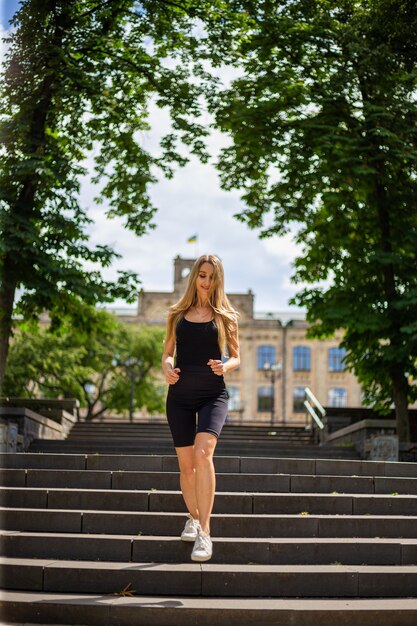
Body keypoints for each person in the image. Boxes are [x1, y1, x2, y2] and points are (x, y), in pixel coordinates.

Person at [162, 254, 240, 562]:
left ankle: (205, 533)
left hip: (212, 393)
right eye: (202, 275)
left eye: (212, 276)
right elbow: (168, 352)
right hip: (179, 394)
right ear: (194, 277)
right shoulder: (177, 314)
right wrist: (167, 367)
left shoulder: (226, 316)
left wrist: (226, 366)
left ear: (219, 280)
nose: (206, 281)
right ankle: (193, 517)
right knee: (186, 467)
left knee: (203, 453)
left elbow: (237, 356)